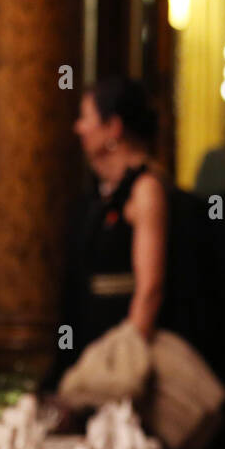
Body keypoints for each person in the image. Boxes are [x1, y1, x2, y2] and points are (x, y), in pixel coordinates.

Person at [60, 77, 169, 379]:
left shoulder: (145, 188)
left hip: (121, 347)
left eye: (86, 118)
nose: (78, 128)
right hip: (91, 335)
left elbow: (150, 289)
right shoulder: (99, 192)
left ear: (114, 128)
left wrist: (124, 365)